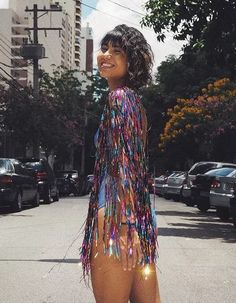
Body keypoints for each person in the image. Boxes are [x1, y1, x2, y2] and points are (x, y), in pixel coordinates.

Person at [81, 24, 161, 303]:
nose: (105, 55)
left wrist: (124, 223)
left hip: (116, 216)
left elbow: (124, 165)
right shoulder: (133, 102)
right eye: (104, 48)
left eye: (117, 51)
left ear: (132, 62)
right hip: (138, 215)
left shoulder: (119, 99)